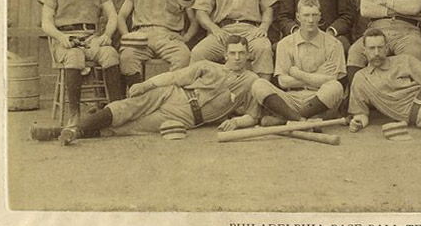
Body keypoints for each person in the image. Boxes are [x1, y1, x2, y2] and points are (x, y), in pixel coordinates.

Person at [30, 36, 261, 145]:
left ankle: (64, 131)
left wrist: (237, 123)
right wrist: (146, 84)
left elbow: (253, 115)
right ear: (225, 55)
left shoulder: (251, 81)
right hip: (171, 93)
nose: (237, 58)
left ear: (248, 55)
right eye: (233, 53)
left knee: (127, 128)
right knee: (124, 108)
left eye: (242, 53)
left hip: (184, 116)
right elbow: (174, 77)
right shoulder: (207, 66)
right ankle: (75, 132)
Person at [37, 0, 125, 127]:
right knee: (75, 56)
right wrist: (61, 36)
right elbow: (46, 23)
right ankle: (74, 115)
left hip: (91, 37)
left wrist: (107, 35)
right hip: (64, 38)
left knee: (110, 54)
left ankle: (117, 114)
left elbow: (112, 16)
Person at [117, 0, 198, 89]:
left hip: (168, 36)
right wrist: (127, 35)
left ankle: (168, 99)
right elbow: (121, 16)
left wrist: (185, 38)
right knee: (127, 57)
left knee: (183, 56)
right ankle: (139, 98)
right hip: (142, 36)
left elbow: (194, 21)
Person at [251, 0, 346, 124]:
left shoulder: (334, 44)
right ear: (298, 17)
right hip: (291, 99)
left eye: (314, 15)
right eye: (306, 15)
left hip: (320, 99)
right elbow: (283, 82)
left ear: (320, 16)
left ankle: (285, 120)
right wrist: (316, 76)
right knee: (259, 85)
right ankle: (301, 120)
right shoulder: (285, 44)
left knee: (335, 87)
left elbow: (331, 80)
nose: (310, 20)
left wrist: (297, 74)